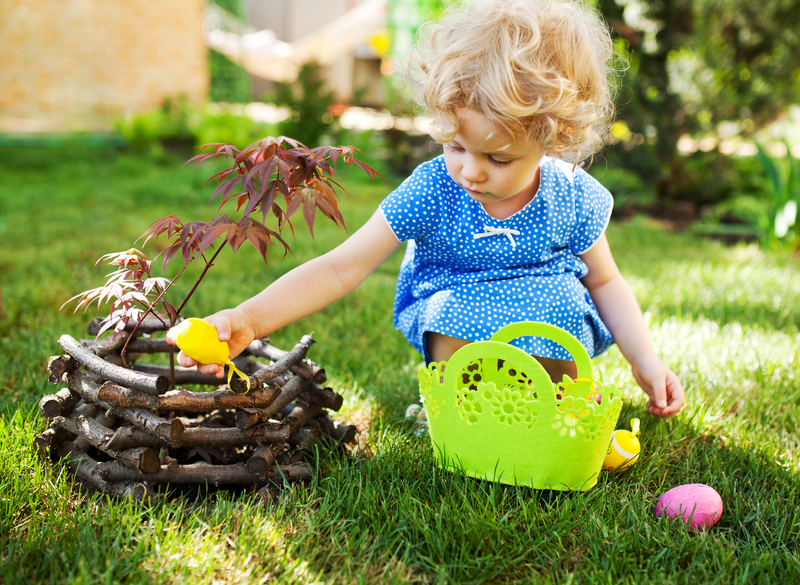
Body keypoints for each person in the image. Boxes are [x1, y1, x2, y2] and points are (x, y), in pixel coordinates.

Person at [167, 0, 684, 417]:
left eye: (498, 158)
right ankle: (460, 407)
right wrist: (249, 318)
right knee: (452, 316)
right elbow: (342, 267)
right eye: (455, 146)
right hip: (461, 306)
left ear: (553, 140)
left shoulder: (570, 195)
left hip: (544, 313)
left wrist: (644, 359)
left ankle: (555, 408)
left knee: (564, 306)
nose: (471, 172)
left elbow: (605, 282)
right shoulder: (434, 189)